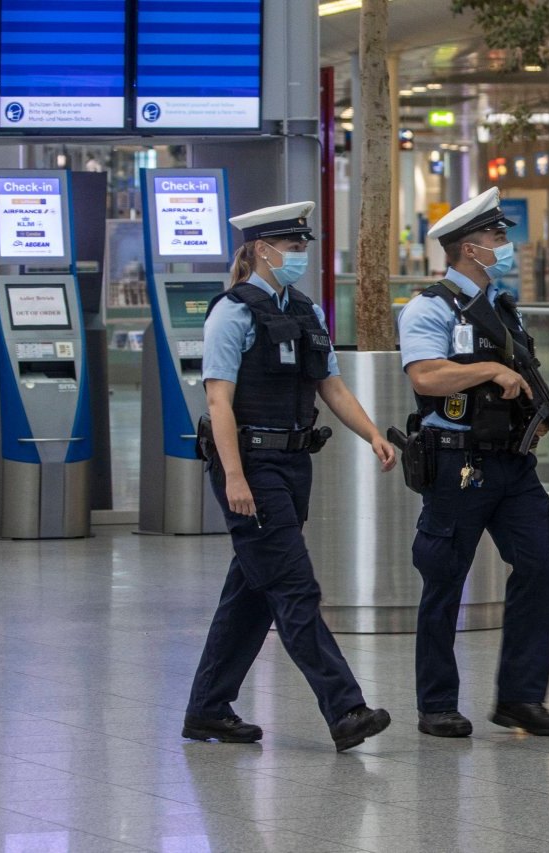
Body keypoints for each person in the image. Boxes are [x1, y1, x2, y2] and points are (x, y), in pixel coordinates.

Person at [182, 201, 395, 752]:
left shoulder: (304, 311)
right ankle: (345, 707)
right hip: (251, 467)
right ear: (260, 250)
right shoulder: (231, 312)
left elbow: (332, 387)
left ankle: (208, 708)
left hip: (293, 464)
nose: (300, 256)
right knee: (295, 588)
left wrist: (372, 434)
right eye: (292, 247)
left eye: (303, 247)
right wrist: (234, 478)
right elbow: (218, 401)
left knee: (254, 591)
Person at [397, 187, 549, 738]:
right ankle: (437, 703)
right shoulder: (429, 306)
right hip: (458, 463)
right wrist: (489, 372)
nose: (505, 245)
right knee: (444, 579)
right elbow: (424, 375)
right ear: (470, 248)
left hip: (512, 465)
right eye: (497, 237)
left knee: (539, 564)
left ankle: (520, 697)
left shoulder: (502, 307)